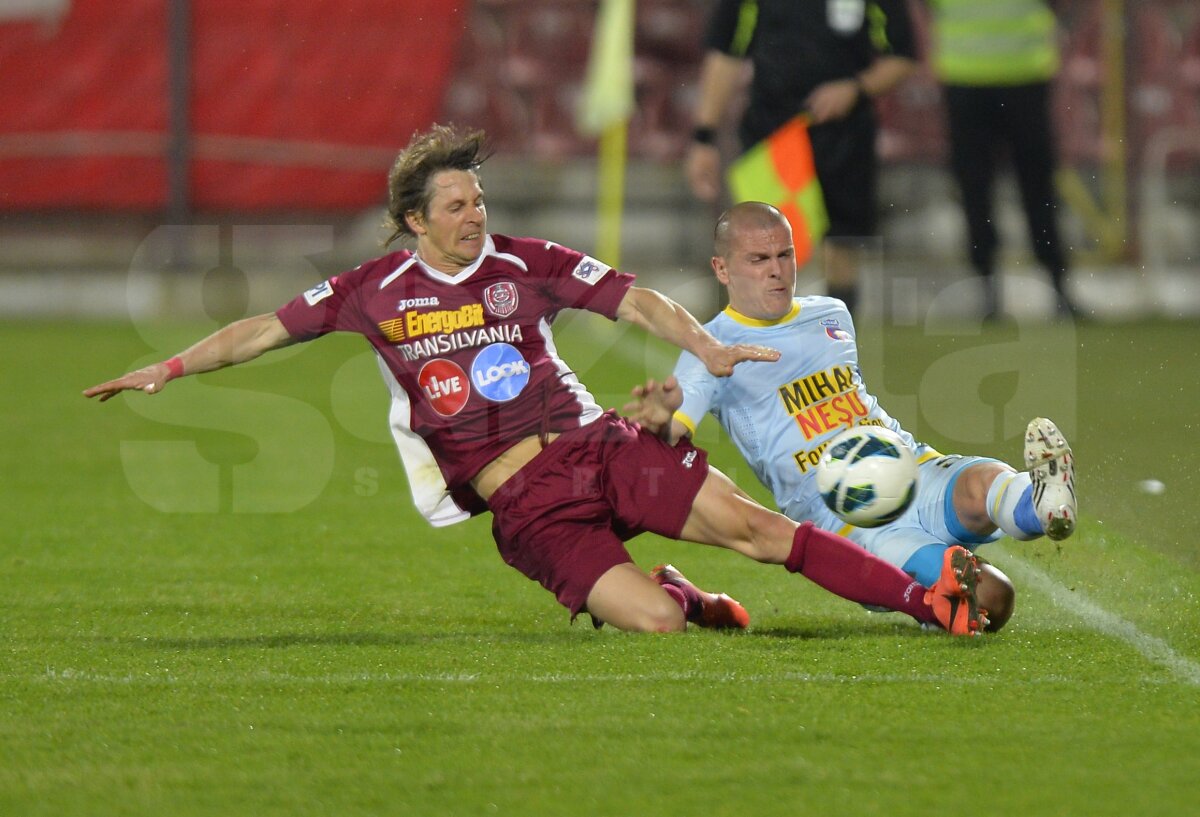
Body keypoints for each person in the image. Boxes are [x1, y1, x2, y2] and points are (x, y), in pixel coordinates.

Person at [84, 125, 986, 637]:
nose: (477, 216)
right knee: (656, 627)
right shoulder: (373, 292)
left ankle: (924, 601)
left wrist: (705, 348)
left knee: (760, 530)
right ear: (413, 221)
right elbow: (262, 331)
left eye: (480, 200)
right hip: (528, 509)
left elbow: (634, 299)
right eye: (458, 205)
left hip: (600, 448)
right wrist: (166, 368)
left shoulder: (528, 261)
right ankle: (677, 592)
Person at [625, 202, 1077, 631]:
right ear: (721, 269)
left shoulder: (831, 313)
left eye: (785, 254)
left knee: (984, 480)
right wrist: (663, 418)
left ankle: (1044, 504)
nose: (777, 270)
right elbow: (673, 430)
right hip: (844, 518)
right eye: (758, 259)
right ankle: (942, 594)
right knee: (996, 599)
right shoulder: (712, 347)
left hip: (910, 468)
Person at [686, 0, 918, 314]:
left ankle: (837, 346)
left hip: (844, 132)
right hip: (772, 135)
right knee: (760, 246)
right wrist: (704, 136)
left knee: (841, 244)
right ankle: (760, 348)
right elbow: (725, 52)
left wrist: (855, 88)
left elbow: (903, 55)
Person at [923, 0, 1077, 318]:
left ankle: (1037, 288)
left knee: (1006, 189)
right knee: (997, 190)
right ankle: (1015, 290)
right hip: (986, 78)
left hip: (1005, 77)